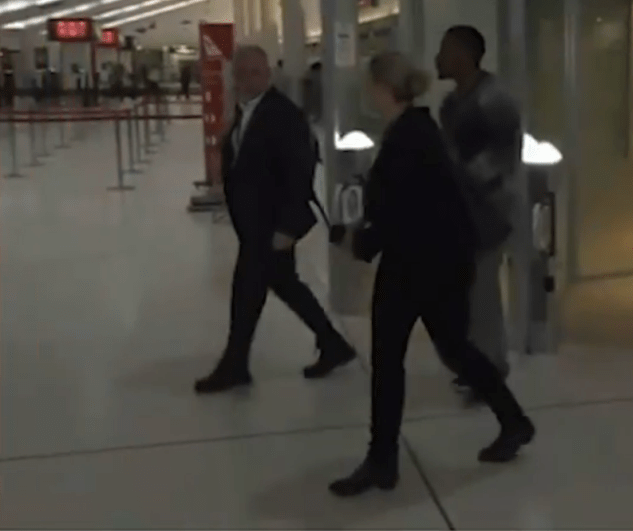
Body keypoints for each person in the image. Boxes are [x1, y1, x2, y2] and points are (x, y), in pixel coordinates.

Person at [328, 50, 535, 497]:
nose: (367, 92)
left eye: (370, 84)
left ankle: (382, 460)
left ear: (383, 88)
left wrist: (356, 243)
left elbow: (399, 214)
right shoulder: (416, 128)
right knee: (454, 349)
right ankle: (513, 421)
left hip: (418, 266)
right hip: (437, 262)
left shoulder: (409, 137)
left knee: (391, 359)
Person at [194, 45, 356, 395]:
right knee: (285, 284)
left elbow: (299, 173)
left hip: (271, 226)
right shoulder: (245, 111)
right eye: (241, 72)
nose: (247, 79)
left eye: (255, 72)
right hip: (254, 223)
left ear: (267, 74)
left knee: (246, 292)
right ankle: (332, 344)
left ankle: (235, 364)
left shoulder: (282, 114)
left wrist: (288, 227)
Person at [435, 25, 520, 401]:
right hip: (462, 210)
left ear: (463, 55)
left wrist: (468, 178)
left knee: (483, 292)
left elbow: (505, 156)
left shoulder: (494, 98)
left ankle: (491, 368)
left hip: (489, 211)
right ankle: (475, 364)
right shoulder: (451, 104)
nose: (437, 58)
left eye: (444, 50)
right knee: (468, 291)